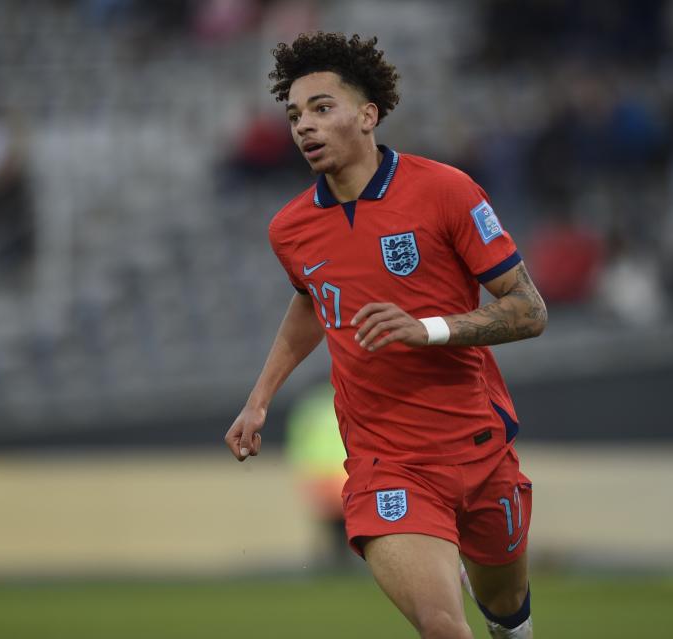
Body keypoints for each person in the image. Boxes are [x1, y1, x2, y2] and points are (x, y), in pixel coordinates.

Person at [224, 32, 547, 639]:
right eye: (295, 115)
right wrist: (259, 397)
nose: (304, 126)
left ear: (367, 115)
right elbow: (311, 302)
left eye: (322, 108)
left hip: (478, 444)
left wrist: (424, 328)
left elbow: (529, 310)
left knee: (507, 614)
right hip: (387, 462)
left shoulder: (446, 191)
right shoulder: (290, 229)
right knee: (442, 626)